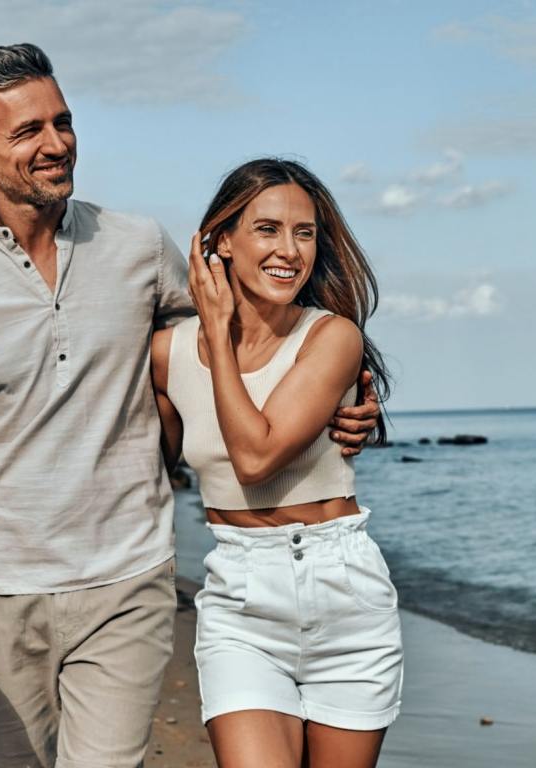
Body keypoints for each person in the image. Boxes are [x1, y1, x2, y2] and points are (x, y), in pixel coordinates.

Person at [0, 45, 380, 768]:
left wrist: (348, 402)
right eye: (29, 132)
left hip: (129, 578)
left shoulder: (138, 247)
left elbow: (246, 333)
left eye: (63, 122)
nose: (56, 144)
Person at [151, 159, 403, 768]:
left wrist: (215, 328)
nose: (289, 250)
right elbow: (146, 467)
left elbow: (256, 455)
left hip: (344, 593)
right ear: (221, 240)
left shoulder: (332, 338)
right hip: (241, 599)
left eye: (305, 232)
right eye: (267, 229)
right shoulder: (166, 355)